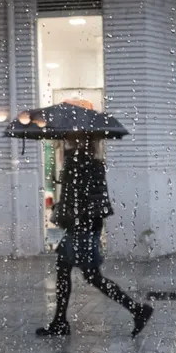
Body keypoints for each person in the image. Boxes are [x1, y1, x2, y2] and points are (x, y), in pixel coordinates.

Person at [36, 136, 154, 337]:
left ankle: (137, 309)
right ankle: (59, 321)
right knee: (63, 272)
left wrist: (70, 215)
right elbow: (72, 197)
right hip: (73, 225)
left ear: (82, 140)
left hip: (81, 227)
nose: (67, 139)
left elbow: (86, 200)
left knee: (92, 276)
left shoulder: (85, 163)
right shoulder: (83, 161)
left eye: (71, 137)